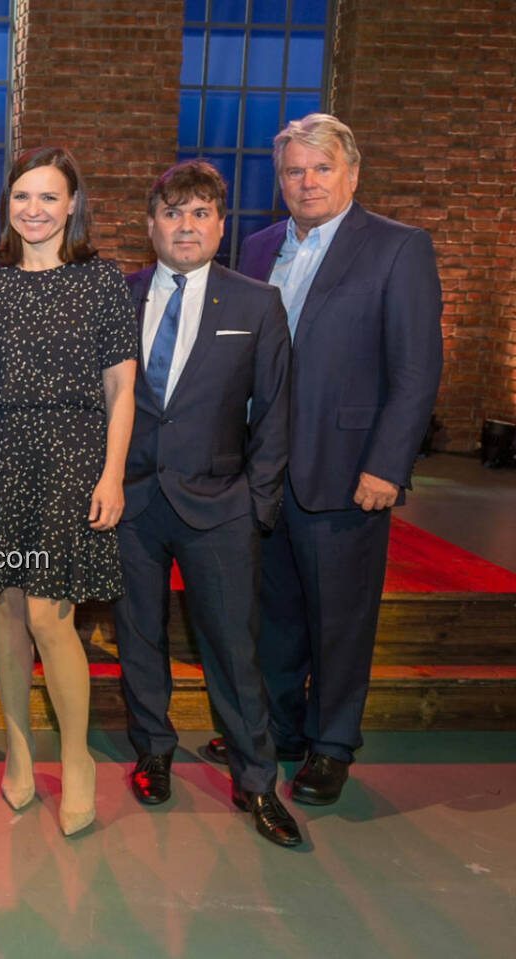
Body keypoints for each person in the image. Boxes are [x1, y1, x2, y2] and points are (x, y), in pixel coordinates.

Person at [203, 114, 443, 805]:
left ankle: (332, 744)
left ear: (352, 173)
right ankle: (278, 727)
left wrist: (388, 466)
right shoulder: (256, 247)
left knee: (339, 617)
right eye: (293, 171)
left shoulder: (398, 249)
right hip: (263, 469)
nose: (306, 182)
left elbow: (416, 370)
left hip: (347, 468)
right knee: (272, 611)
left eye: (321, 168)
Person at [112, 160, 301, 847]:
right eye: (171, 212)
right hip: (131, 501)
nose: (184, 226)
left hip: (220, 505)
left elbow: (276, 416)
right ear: (151, 223)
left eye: (199, 214)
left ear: (221, 225)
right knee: (139, 635)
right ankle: (153, 750)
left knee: (232, 648)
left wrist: (256, 505)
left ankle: (257, 781)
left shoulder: (257, 304)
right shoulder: (118, 295)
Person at [0, 146, 137, 836]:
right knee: (5, 607)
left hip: (72, 457)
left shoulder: (101, 281)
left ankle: (78, 757)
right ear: (9, 206)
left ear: (72, 206)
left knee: (48, 616)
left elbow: (121, 386)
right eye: (22, 197)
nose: (34, 209)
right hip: (2, 455)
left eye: (49, 197)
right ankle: (19, 748)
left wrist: (113, 472)